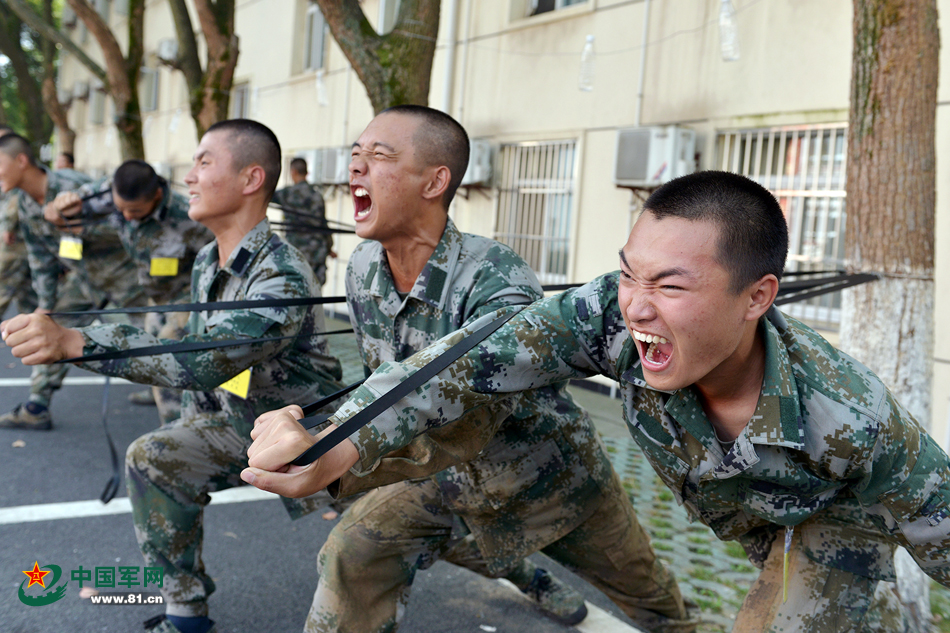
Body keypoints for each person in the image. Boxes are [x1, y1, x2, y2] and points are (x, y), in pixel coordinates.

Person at [245, 170, 950, 632]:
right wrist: (341, 437)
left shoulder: (854, 419)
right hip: (546, 492)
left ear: (757, 297)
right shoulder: (608, 317)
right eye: (626, 273)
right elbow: (469, 362)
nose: (638, 307)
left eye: (671, 286)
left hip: (825, 528)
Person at [248, 105, 695, 633]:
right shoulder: (363, 268)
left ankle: (583, 593)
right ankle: (530, 578)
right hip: (442, 479)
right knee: (354, 552)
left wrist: (339, 451)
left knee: (653, 603)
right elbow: (384, 382)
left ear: (435, 181)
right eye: (354, 156)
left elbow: (471, 411)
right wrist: (332, 446)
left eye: (378, 156)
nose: (355, 168)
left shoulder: (497, 275)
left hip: (546, 478)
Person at [2, 119, 345, 633]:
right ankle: (186, 615)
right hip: (245, 425)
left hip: (315, 441)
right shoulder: (209, 258)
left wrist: (78, 341)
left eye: (204, 162)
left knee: (430, 530)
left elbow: (212, 358)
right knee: (154, 458)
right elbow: (206, 379)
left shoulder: (281, 271)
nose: (188, 176)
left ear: (251, 179)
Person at [46, 159, 214, 423]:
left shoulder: (187, 217)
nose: (125, 216)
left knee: (166, 359)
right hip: (156, 297)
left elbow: (219, 255)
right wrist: (57, 208)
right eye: (120, 208)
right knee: (150, 350)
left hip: (188, 295)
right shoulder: (104, 192)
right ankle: (164, 394)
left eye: (134, 210)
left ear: (157, 195)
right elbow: (52, 215)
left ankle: (176, 432)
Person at [0, 132, 145, 430]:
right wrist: (45, 303)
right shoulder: (24, 204)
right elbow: (39, 257)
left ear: (21, 161)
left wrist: (80, 227)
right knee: (52, 329)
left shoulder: (74, 186)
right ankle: (36, 406)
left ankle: (186, 415)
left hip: (128, 274)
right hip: (85, 279)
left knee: (162, 336)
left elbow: (132, 222)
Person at [272, 157, 335, 285]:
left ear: (293, 172)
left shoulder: (286, 193)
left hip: (296, 252)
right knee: (314, 293)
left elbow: (263, 196)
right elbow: (324, 226)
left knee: (295, 291)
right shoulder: (317, 195)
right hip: (317, 251)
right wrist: (329, 248)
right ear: (307, 173)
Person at [0, 125, 38, 319]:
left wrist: (8, 225)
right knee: (27, 293)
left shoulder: (21, 175)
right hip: (23, 243)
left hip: (16, 241)